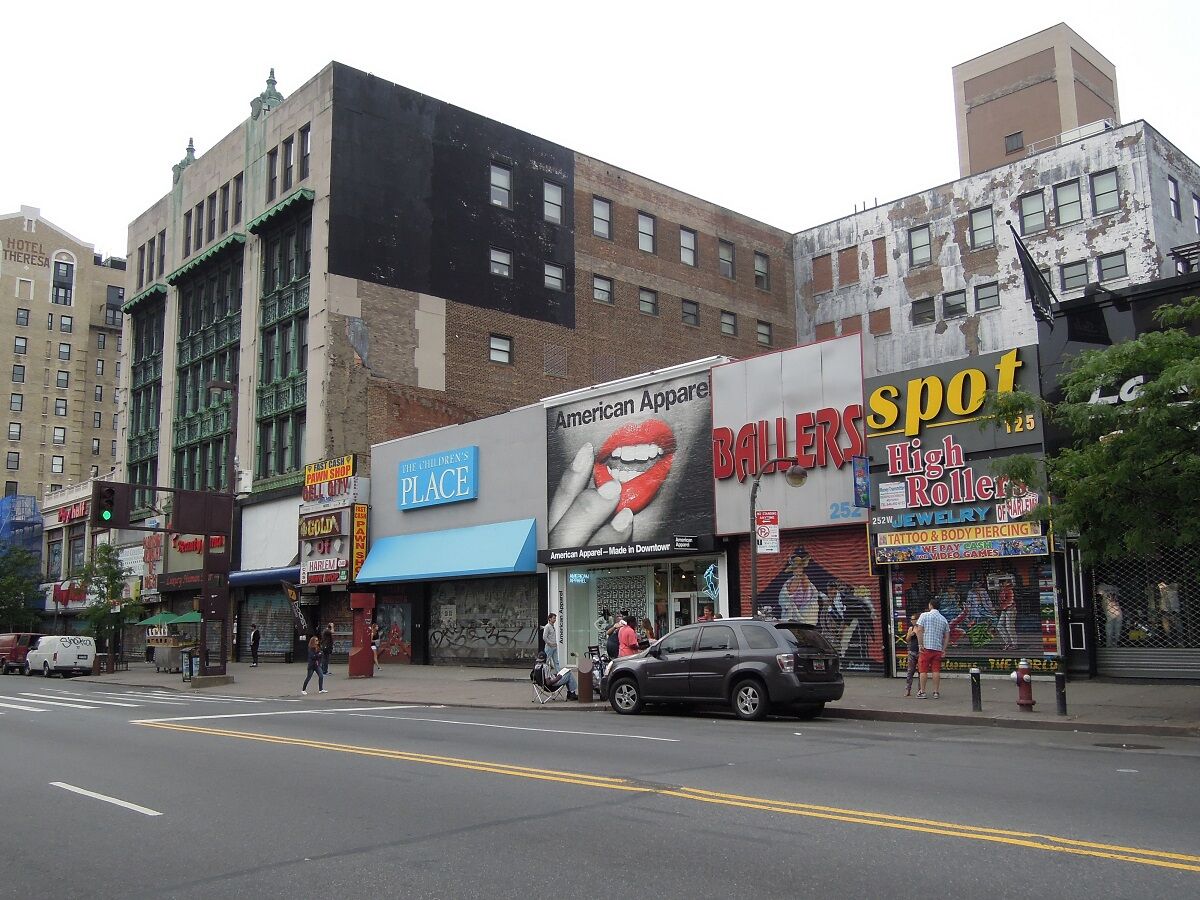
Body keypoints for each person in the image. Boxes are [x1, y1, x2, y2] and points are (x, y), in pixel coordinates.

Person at [914, 598, 949, 700]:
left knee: (923, 671)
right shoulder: (943, 619)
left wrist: (920, 645)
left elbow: (919, 630)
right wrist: (943, 649)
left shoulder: (924, 615)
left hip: (926, 648)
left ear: (930, 605)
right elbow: (947, 636)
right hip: (937, 648)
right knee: (936, 670)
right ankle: (936, 692)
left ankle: (922, 692)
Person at [996, 580, 1017, 650]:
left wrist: (1001, 607)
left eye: (1002, 583)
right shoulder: (1003, 591)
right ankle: (1007, 642)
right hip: (1005, 610)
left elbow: (1009, 601)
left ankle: (1014, 644)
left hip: (1010, 609)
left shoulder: (1009, 590)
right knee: (999, 626)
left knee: (1009, 627)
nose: (1000, 585)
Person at [904, 613, 920, 696]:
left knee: (921, 672)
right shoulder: (911, 628)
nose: (912, 621)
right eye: (911, 619)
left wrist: (917, 633)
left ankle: (920, 690)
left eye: (913, 619)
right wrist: (910, 634)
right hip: (912, 651)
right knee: (910, 671)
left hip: (920, 652)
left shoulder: (922, 628)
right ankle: (908, 689)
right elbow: (907, 640)